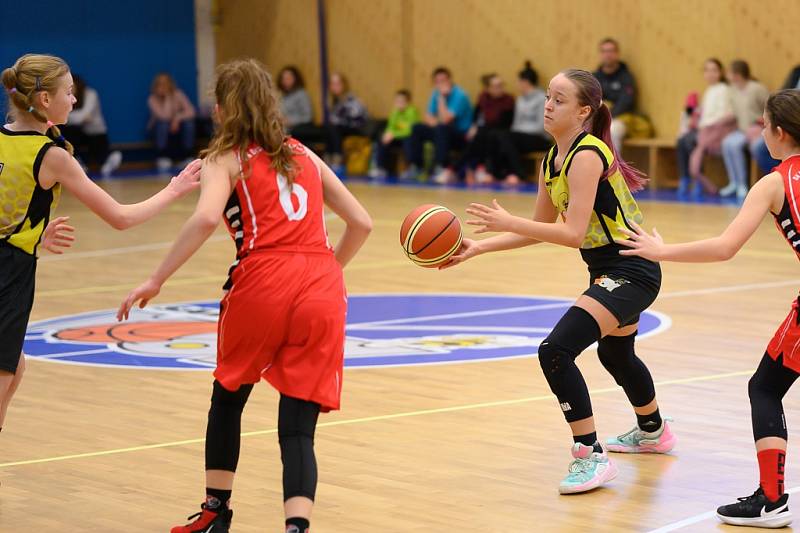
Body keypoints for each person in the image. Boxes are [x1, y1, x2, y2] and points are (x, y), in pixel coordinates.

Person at [117, 58, 372, 533]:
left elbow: (206, 217)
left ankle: (216, 512)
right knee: (298, 424)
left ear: (221, 109)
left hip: (262, 279)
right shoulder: (306, 155)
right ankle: (297, 525)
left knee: (229, 396)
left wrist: (156, 279)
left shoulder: (226, 157)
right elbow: (362, 223)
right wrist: (323, 274)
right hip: (321, 283)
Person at [442, 69, 675, 493]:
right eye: (548, 97)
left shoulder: (587, 155)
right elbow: (539, 227)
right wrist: (481, 247)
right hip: (609, 270)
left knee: (555, 350)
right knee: (617, 355)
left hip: (633, 270)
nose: (548, 105)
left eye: (559, 99)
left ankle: (590, 454)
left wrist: (507, 220)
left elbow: (571, 234)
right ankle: (654, 431)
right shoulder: (552, 160)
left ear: (584, 111)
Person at [617, 88, 800, 529]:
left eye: (762, 125)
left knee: (765, 388)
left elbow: (723, 248)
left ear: (778, 132)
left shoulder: (774, 183)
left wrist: (661, 251)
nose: (760, 132)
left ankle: (772, 501)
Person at [0, 53, 201, 434]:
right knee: (4, 376)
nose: (74, 100)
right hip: (9, 278)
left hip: (12, 259)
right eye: (69, 93)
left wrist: (32, 233)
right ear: (45, 100)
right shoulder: (51, 155)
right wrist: (174, 189)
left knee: (16, 366)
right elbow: (121, 219)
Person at [676, 58, 736, 199]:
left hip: (716, 131)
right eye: (707, 70)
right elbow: (704, 115)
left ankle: (698, 182)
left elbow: (724, 114)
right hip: (705, 129)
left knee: (691, 141)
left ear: (720, 72)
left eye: (714, 70)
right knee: (681, 140)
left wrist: (706, 125)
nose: (710, 74)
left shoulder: (724, 89)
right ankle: (685, 178)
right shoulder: (709, 90)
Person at [403, 67, 472, 184]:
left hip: (460, 135)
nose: (440, 84)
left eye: (443, 80)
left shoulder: (460, 95)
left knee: (442, 129)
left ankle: (441, 167)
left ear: (450, 80)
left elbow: (446, 119)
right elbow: (427, 116)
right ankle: (416, 167)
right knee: (417, 128)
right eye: (437, 81)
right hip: (441, 130)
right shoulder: (435, 93)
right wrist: (435, 122)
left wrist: (442, 98)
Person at [488, 61, 550, 186]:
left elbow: (541, 126)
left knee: (507, 137)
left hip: (539, 138)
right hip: (520, 136)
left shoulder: (542, 98)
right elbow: (515, 124)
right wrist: (517, 131)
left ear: (525, 82)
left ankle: (519, 174)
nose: (517, 85)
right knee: (496, 135)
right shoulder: (520, 99)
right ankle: (496, 173)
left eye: (518, 82)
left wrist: (519, 131)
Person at [720, 60, 769, 199]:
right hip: (743, 130)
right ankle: (734, 182)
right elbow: (735, 112)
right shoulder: (733, 91)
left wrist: (763, 124)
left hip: (758, 128)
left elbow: (769, 107)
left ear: (737, 74)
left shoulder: (757, 88)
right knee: (728, 143)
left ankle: (742, 184)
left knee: (737, 146)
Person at [60, 75, 123, 178]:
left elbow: (83, 116)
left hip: (94, 132)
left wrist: (67, 116)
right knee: (68, 130)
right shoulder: (64, 96)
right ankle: (76, 162)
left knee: (97, 146)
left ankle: (107, 161)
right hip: (76, 133)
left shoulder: (90, 94)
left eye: (71, 87)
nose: (70, 91)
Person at [462, 73, 514, 185]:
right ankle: (473, 168)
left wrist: (479, 128)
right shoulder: (483, 98)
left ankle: (480, 168)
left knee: (485, 135)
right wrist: (474, 126)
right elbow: (476, 116)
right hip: (484, 131)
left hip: (500, 131)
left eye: (501, 85)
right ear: (488, 88)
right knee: (475, 135)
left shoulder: (508, 100)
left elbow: (502, 122)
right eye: (496, 86)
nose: (500, 89)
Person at [593, 38, 638, 149]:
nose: (608, 55)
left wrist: (607, 115)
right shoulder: (594, 78)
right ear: (600, 54)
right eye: (604, 51)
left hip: (619, 118)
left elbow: (626, 102)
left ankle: (613, 166)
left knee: (611, 131)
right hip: (597, 118)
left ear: (617, 54)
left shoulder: (626, 77)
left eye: (611, 51)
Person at [148, 72, 197, 173]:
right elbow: (165, 116)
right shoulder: (152, 99)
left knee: (189, 124)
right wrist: (167, 97)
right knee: (163, 124)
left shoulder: (178, 94)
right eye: (160, 84)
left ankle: (187, 156)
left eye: (166, 83)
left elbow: (191, 111)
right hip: (160, 131)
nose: (163, 86)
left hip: (178, 129)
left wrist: (177, 119)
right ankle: (162, 156)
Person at [324, 72, 368, 176]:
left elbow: (356, 116)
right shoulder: (333, 100)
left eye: (337, 83)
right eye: (332, 84)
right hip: (341, 128)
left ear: (344, 84)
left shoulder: (350, 98)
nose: (335, 87)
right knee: (329, 128)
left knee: (333, 128)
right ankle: (328, 159)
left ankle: (337, 160)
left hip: (357, 127)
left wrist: (336, 121)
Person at [370, 89, 419, 179]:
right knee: (382, 140)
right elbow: (390, 127)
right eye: (397, 101)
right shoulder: (395, 112)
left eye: (402, 101)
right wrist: (387, 135)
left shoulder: (412, 111)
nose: (399, 103)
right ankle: (381, 168)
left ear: (408, 102)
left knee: (408, 141)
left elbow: (409, 130)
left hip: (407, 137)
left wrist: (393, 134)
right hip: (396, 138)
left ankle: (411, 168)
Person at [278, 65, 325, 149]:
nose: (285, 81)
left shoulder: (302, 94)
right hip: (285, 129)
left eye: (288, 78)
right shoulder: (282, 97)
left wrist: (290, 121)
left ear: (295, 78)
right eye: (284, 78)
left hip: (300, 128)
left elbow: (308, 116)